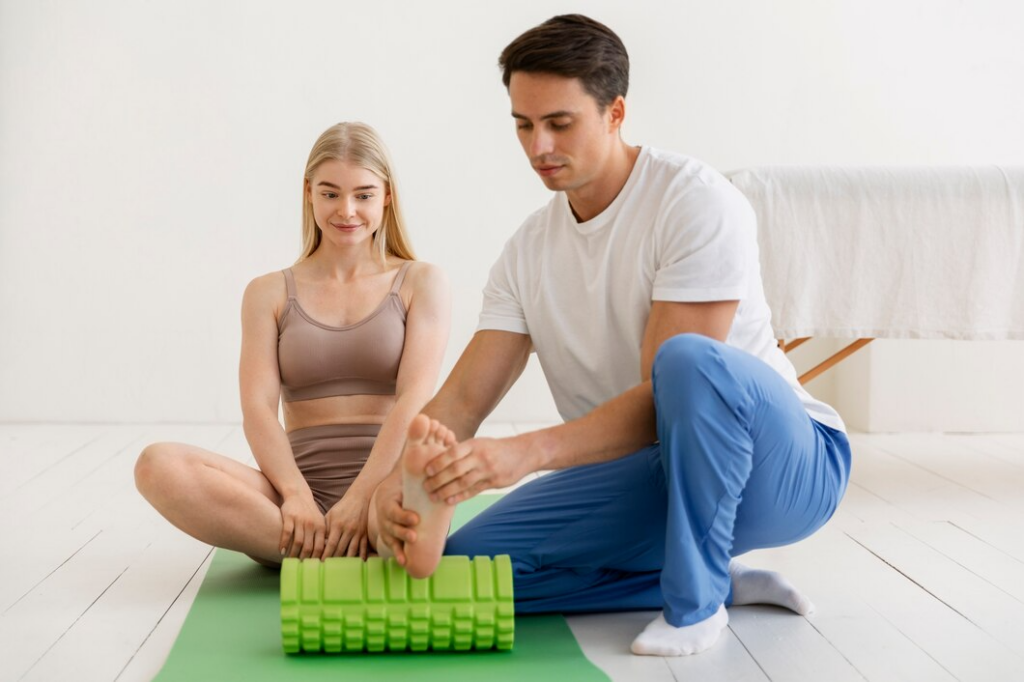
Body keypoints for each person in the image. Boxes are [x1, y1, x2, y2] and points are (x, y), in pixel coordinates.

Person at [374, 14, 851, 657]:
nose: (538, 145)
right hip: (651, 476)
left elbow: (668, 397)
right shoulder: (526, 253)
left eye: (559, 123)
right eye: (523, 124)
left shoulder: (695, 202)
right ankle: (708, 577)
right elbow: (460, 404)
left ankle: (695, 603)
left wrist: (522, 454)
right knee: (468, 570)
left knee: (686, 362)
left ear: (615, 111)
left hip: (785, 467)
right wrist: (389, 494)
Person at [134, 122, 450, 567]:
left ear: (387, 196)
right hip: (295, 498)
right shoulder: (268, 292)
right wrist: (296, 497)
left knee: (427, 501)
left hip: (387, 488)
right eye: (330, 193)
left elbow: (414, 399)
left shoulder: (421, 282)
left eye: (363, 194)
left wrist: (362, 498)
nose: (347, 210)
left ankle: (318, 554)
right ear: (308, 193)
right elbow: (259, 408)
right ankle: (330, 549)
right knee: (157, 465)